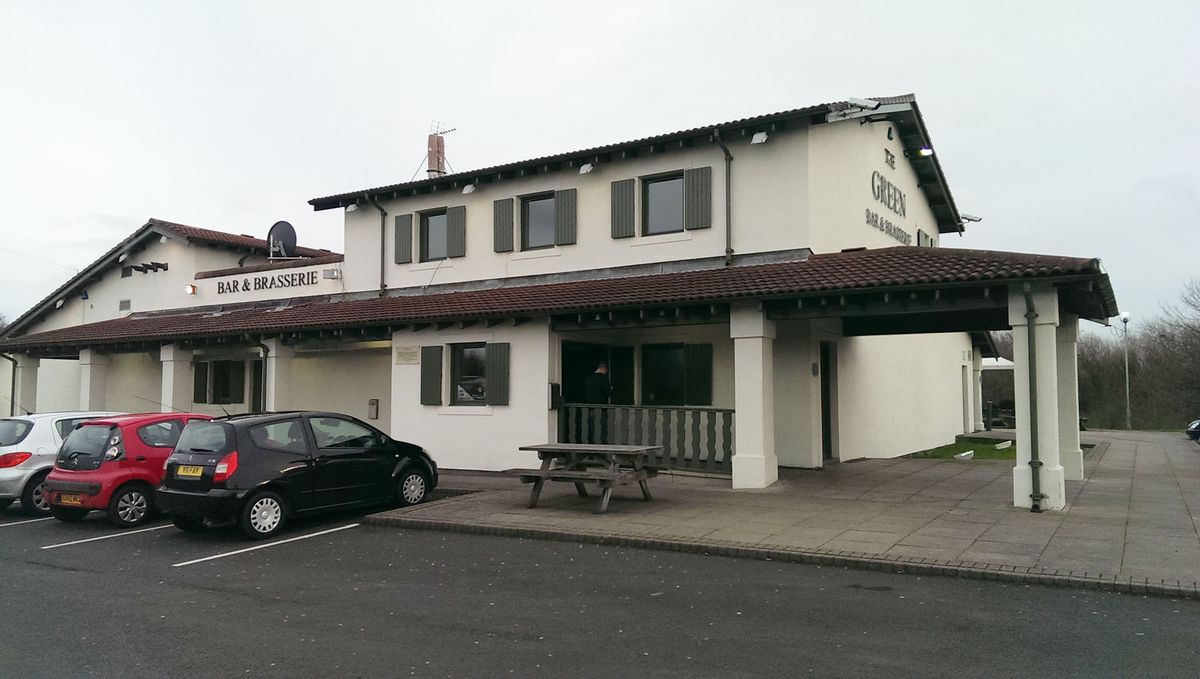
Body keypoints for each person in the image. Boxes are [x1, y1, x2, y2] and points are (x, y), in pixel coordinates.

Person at [583, 363, 611, 444]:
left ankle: (592, 443)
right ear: (604, 369)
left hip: (591, 407)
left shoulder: (588, 378)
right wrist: (611, 389)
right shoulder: (604, 378)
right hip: (601, 408)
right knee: (602, 428)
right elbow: (607, 392)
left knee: (592, 427)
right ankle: (602, 445)